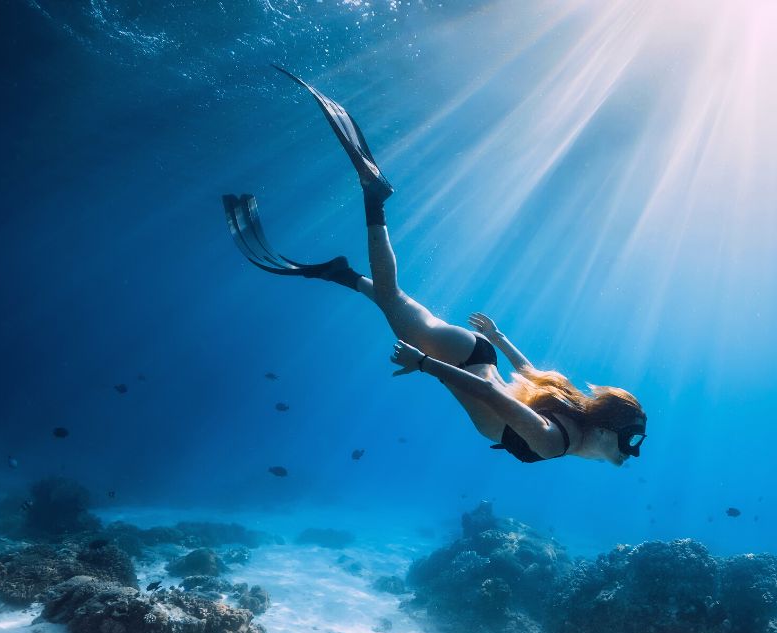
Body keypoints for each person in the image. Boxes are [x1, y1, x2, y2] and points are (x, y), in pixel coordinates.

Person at [223, 67, 646, 465]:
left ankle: (343, 273)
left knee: (392, 299)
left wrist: (497, 338)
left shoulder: (571, 406)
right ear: (605, 430)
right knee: (391, 296)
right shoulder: (554, 443)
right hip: (462, 362)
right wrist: (423, 364)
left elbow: (527, 372)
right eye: (629, 442)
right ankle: (374, 199)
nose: (630, 454)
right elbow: (489, 395)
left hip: (474, 354)